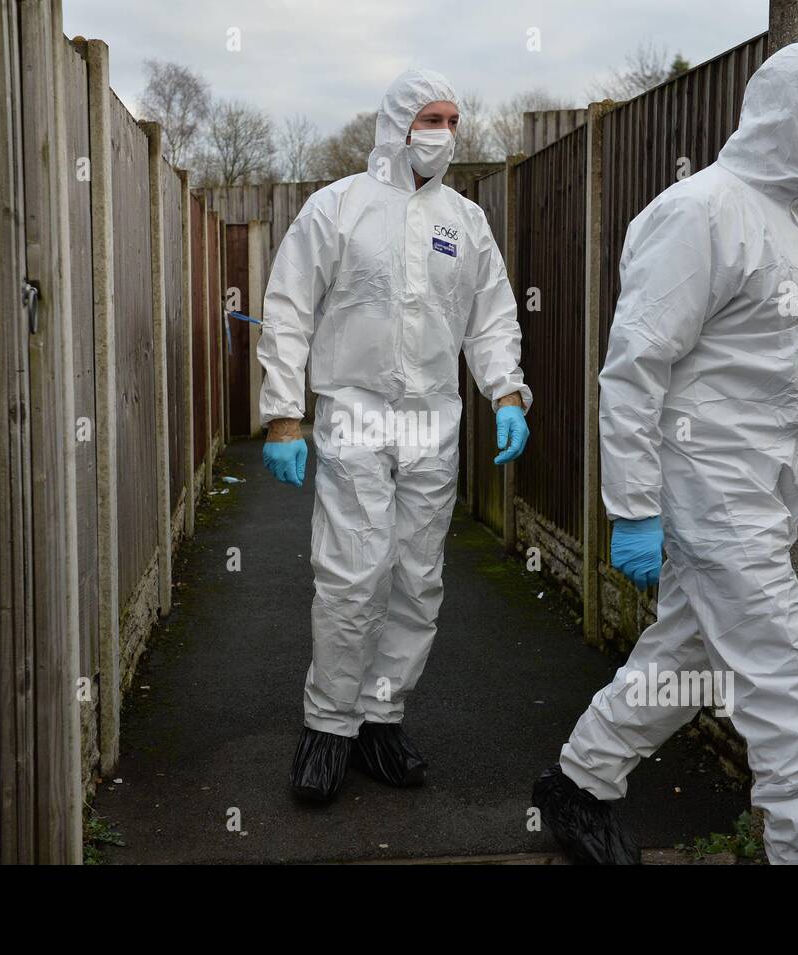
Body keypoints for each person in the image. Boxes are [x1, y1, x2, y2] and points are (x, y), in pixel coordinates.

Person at [533, 42, 798, 864]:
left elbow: (774, 364)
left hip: (761, 490)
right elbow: (635, 366)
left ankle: (578, 781)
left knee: (685, 661)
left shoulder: (795, 219)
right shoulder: (701, 212)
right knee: (789, 690)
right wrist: (635, 507)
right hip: (713, 495)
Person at [257, 68, 532, 803]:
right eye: (431, 117)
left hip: (433, 423)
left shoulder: (464, 221)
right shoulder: (338, 207)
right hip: (355, 413)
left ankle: (380, 715)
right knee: (352, 574)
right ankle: (327, 725)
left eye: (452, 119)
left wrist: (506, 391)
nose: (443, 132)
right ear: (399, 122)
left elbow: (491, 315)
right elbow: (287, 308)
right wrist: (285, 414)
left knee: (418, 576)